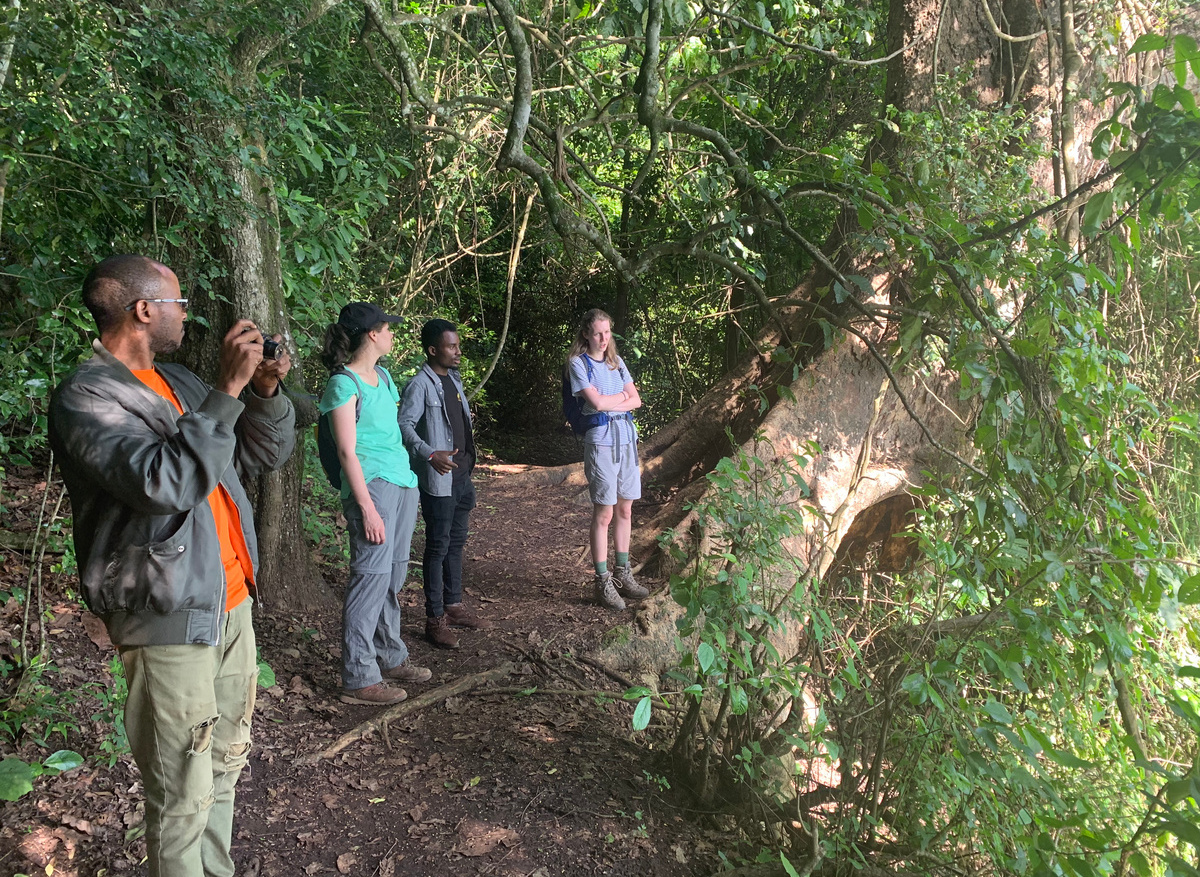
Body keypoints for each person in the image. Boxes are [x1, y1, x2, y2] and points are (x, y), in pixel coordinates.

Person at [48, 254, 296, 877]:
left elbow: (256, 457)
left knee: (224, 765)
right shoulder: (87, 396)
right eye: (178, 304)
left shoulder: (181, 382)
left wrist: (262, 393)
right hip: (167, 613)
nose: (187, 315)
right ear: (143, 309)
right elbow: (165, 484)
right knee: (182, 791)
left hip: (230, 600)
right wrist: (229, 390)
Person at [319, 302, 432, 705]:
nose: (392, 334)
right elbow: (347, 451)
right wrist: (366, 507)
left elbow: (391, 434)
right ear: (372, 334)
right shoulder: (343, 384)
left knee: (392, 576)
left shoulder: (383, 376)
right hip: (373, 489)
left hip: (402, 484)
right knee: (369, 578)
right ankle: (359, 676)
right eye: (388, 328)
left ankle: (389, 654)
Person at [398, 318, 493, 649]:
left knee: (456, 542)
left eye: (457, 345)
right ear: (433, 350)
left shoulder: (452, 379)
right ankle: (434, 618)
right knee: (437, 546)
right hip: (439, 478)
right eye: (451, 346)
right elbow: (405, 425)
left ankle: (453, 606)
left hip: (462, 475)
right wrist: (428, 454)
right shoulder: (419, 385)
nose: (458, 351)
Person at [567, 308, 649, 610]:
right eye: (598, 333)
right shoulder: (579, 364)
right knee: (604, 512)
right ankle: (602, 581)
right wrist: (619, 402)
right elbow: (597, 403)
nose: (604, 339)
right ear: (587, 334)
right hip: (600, 442)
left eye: (607, 332)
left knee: (625, 509)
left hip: (626, 439)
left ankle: (622, 572)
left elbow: (637, 400)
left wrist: (610, 403)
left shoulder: (616, 362)